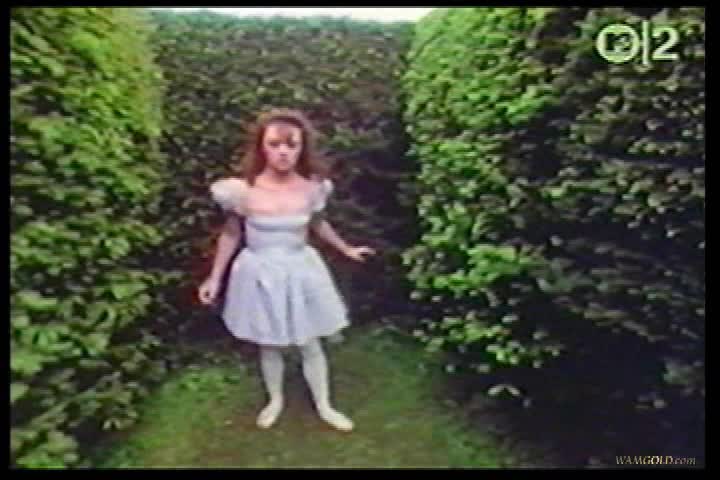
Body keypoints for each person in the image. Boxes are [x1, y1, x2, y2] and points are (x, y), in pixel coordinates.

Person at [198, 108, 376, 432]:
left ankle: (324, 405)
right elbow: (231, 234)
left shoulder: (312, 188)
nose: (283, 152)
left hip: (301, 269)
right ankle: (275, 400)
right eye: (274, 144)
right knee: (269, 342)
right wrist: (215, 278)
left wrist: (346, 249)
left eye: (291, 145)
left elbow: (318, 224)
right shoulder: (242, 191)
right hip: (259, 272)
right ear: (262, 147)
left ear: (302, 148)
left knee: (310, 342)